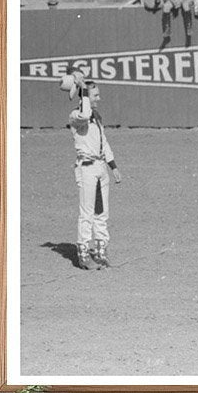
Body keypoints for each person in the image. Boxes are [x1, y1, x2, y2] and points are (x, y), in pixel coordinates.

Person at [59, 71, 121, 271]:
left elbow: (104, 142)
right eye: (95, 95)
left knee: (101, 212)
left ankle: (101, 250)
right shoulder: (76, 116)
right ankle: (83, 252)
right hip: (86, 168)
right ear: (85, 96)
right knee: (86, 213)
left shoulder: (97, 117)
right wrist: (83, 87)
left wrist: (113, 166)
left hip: (100, 167)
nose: (99, 98)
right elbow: (85, 114)